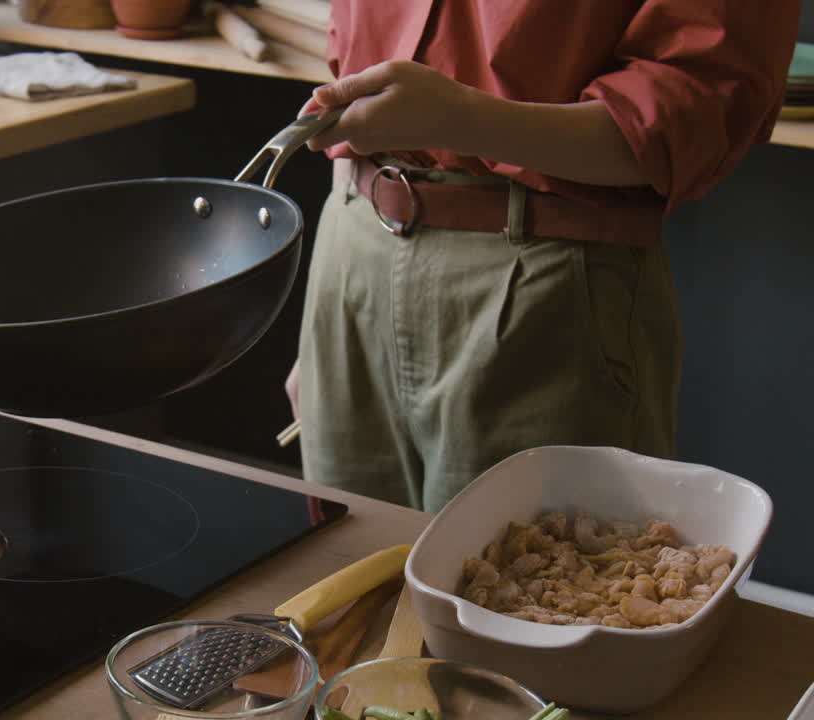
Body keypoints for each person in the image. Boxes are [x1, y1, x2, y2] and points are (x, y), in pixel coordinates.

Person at [285, 1, 802, 514]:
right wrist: (320, 329)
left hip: (543, 275)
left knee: (529, 585)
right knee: (344, 575)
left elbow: (690, 109)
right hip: (353, 246)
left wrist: (463, 119)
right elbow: (353, 88)